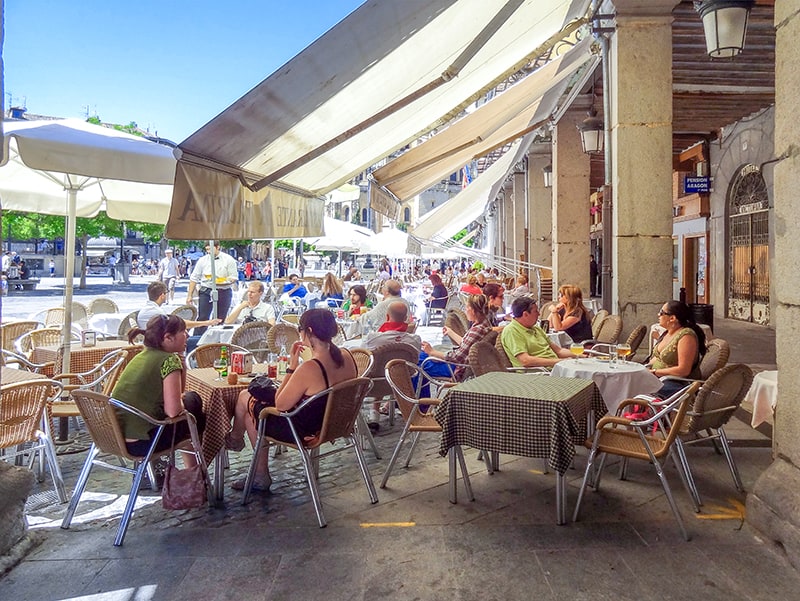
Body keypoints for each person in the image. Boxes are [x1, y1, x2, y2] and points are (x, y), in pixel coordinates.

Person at [227, 309, 358, 491]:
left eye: (300, 328)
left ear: (309, 331)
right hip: (335, 425)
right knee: (247, 399)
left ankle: (244, 452)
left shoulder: (311, 368)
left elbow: (281, 405)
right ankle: (240, 444)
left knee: (248, 404)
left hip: (303, 430)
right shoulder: (347, 356)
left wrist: (291, 367)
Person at [111, 314, 206, 465]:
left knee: (189, 403)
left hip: (115, 437)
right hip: (142, 443)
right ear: (168, 337)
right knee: (194, 404)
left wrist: (181, 358)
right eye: (183, 331)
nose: (187, 335)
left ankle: (193, 469)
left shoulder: (141, 355)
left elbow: (179, 392)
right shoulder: (168, 360)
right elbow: (174, 411)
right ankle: (195, 470)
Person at [420, 294, 492, 381]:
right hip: (462, 365)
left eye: (467, 307)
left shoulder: (477, 330)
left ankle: (416, 392)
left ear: (472, 310)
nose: (465, 310)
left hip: (457, 369)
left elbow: (456, 357)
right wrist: (450, 332)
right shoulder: (484, 325)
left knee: (419, 361)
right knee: (421, 356)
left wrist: (432, 352)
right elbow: (467, 345)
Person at [648, 300, 706, 398]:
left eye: (661, 312)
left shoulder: (686, 336)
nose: (658, 315)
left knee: (636, 387)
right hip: (661, 379)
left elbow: (683, 370)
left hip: (677, 385)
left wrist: (655, 372)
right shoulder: (668, 333)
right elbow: (658, 358)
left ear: (672, 318)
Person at [501, 296, 574, 368]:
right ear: (525, 314)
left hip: (555, 367)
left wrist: (580, 355)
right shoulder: (512, 331)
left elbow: (559, 351)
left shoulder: (536, 328)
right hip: (538, 373)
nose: (539, 314)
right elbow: (525, 361)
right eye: (535, 311)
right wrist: (560, 362)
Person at [186, 242, 238, 335]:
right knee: (203, 317)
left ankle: (218, 341)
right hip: (207, 290)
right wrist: (189, 295)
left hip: (224, 290)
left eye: (210, 249)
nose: (209, 252)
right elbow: (194, 277)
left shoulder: (229, 259)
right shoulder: (202, 260)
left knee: (221, 317)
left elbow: (233, 277)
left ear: (218, 247)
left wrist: (225, 281)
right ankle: (197, 341)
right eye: (207, 250)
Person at [138, 280, 221, 331]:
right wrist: (207, 323)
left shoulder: (148, 309)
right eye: (167, 293)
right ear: (162, 295)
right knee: (199, 341)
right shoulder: (157, 312)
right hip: (160, 345)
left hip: (156, 342)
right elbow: (181, 324)